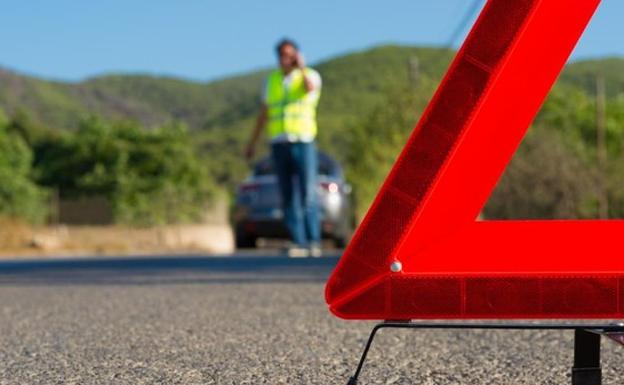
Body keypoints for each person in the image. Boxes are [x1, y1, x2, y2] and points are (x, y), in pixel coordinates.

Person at [245, 38, 322, 257]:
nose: (285, 59)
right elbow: (263, 114)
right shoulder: (272, 81)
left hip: (303, 140)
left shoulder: (310, 75)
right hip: (279, 143)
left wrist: (302, 67)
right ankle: (298, 241)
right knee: (287, 195)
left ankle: (313, 241)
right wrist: (252, 143)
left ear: (297, 55)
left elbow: (309, 89)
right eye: (282, 55)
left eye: (289, 55)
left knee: (308, 192)